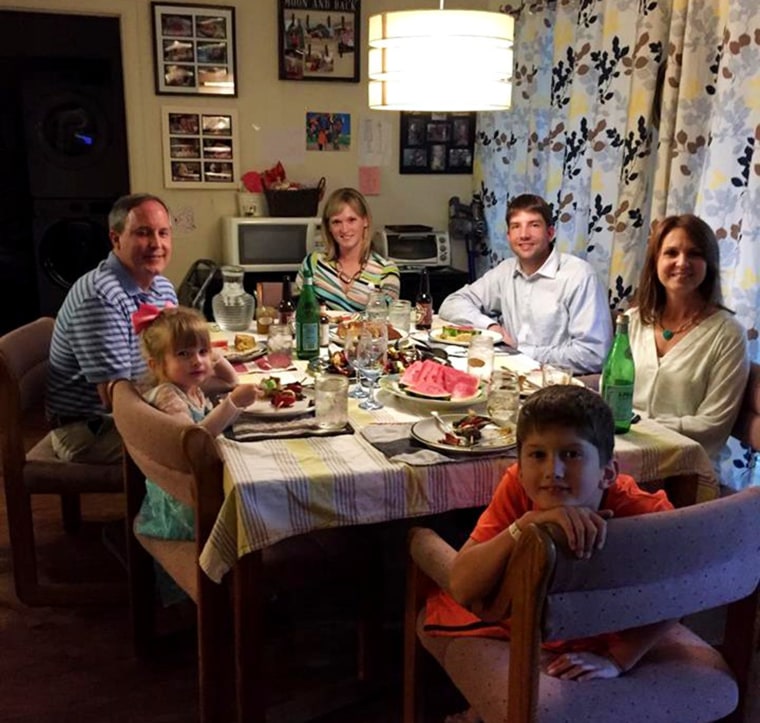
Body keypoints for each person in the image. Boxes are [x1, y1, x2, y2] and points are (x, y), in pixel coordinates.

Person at [424, 385, 674, 723]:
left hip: (606, 632)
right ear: (521, 463)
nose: (551, 471)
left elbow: (692, 587)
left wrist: (619, 659)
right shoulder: (518, 486)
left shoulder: (650, 513)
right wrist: (526, 524)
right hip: (524, 617)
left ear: (608, 472)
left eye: (571, 455)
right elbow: (464, 585)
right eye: (537, 455)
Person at [46, 193, 177, 464]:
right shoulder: (100, 296)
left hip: (137, 405)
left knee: (224, 416)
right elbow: (114, 399)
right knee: (198, 446)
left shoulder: (161, 286)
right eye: (143, 233)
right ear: (116, 239)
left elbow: (174, 355)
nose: (157, 244)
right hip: (90, 428)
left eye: (163, 233)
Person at [438, 193, 612, 373]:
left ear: (550, 233)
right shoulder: (505, 270)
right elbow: (452, 303)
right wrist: (490, 327)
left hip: (555, 383)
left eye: (534, 225)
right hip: (507, 374)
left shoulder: (579, 276)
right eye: (516, 227)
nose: (523, 235)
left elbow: (594, 354)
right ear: (508, 236)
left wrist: (520, 352)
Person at [131, 304, 260, 541]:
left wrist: (210, 355)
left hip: (200, 477)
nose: (196, 361)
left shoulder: (190, 387)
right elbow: (193, 439)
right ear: (156, 365)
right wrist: (232, 403)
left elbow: (231, 380)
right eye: (184, 354)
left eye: (202, 351)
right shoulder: (168, 395)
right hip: (187, 502)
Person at [628, 214, 749, 458]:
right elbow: (611, 388)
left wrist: (639, 425)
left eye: (694, 254)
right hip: (624, 449)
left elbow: (712, 423)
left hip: (685, 465)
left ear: (709, 264)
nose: (682, 262)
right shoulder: (633, 320)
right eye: (671, 253)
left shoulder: (728, 334)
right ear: (655, 261)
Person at [296, 187, 400, 312]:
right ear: (328, 227)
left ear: (365, 221)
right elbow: (297, 312)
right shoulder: (312, 263)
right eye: (336, 222)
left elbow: (385, 322)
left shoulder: (386, 271)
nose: (344, 229)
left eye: (351, 220)